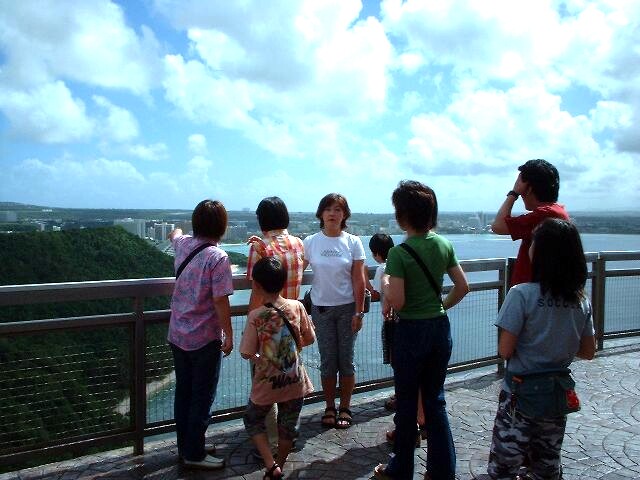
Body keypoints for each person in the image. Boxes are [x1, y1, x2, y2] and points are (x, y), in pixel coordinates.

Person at [374, 180, 469, 480]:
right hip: (439, 329)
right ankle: (442, 471)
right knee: (435, 401)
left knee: (406, 403)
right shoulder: (443, 244)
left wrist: (385, 284)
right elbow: (462, 286)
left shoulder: (399, 254)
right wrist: (440, 306)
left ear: (402, 215)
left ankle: (400, 469)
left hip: (411, 332)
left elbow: (399, 302)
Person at [487, 218, 596, 479]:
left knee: (504, 467)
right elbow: (588, 351)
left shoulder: (521, 294)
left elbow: (505, 350)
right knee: (546, 467)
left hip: (519, 395)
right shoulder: (580, 300)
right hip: (556, 396)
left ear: (542, 253)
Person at [167, 199, 233, 470]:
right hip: (204, 338)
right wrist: (229, 333)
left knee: (183, 393)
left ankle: (187, 446)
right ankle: (194, 454)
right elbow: (220, 300)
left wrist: (178, 230)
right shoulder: (218, 257)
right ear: (222, 226)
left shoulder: (183, 245)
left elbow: (174, 234)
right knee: (202, 397)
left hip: (177, 334)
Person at [240, 257, 315, 480]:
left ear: (256, 285)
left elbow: (246, 352)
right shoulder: (297, 306)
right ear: (283, 282)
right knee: (287, 426)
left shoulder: (256, 316)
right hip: (294, 379)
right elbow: (309, 338)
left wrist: (261, 358)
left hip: (267, 382)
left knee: (253, 419)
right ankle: (280, 463)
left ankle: (270, 464)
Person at [245, 196, 305, 457]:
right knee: (288, 382)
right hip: (291, 322)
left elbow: (257, 290)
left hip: (267, 327)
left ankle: (268, 444)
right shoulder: (299, 243)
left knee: (265, 386)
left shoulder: (260, 248)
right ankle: (287, 438)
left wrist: (251, 325)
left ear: (262, 220)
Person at [303, 193, 366, 429]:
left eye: (338, 209)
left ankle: (345, 407)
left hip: (348, 308)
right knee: (328, 360)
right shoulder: (310, 242)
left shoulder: (353, 242)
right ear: (321, 213)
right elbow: (294, 270)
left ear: (344, 215)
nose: (332, 213)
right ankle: (329, 406)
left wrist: (359, 312)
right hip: (321, 309)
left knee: (346, 360)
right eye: (328, 209)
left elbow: (359, 279)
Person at [491, 159, 569, 286]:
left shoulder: (544, 216)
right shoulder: (558, 212)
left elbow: (498, 226)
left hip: (531, 293)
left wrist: (513, 193)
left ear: (529, 189)